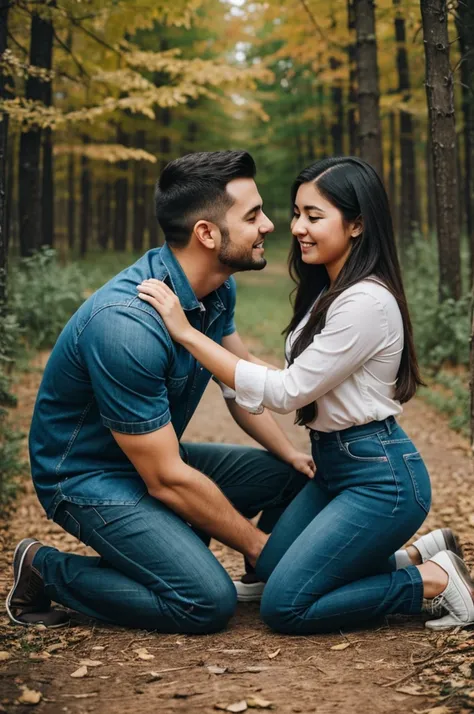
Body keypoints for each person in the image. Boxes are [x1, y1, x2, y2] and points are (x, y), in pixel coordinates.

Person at [135, 156, 474, 633]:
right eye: (297, 213)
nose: (296, 227)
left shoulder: (366, 302)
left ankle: (433, 581)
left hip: (381, 480)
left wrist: (189, 334)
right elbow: (285, 375)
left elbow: (288, 390)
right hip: (335, 467)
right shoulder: (330, 291)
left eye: (314, 216)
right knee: (272, 567)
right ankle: (417, 555)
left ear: (357, 224)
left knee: (285, 607)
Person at [6, 150, 314, 632]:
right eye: (253, 215)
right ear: (207, 234)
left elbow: (238, 375)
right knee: (206, 601)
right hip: (86, 476)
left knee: (293, 479)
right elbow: (166, 477)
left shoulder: (215, 288)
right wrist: (257, 543)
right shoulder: (126, 326)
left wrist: (291, 453)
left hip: (151, 457)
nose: (271, 225)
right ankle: (45, 570)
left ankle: (248, 572)